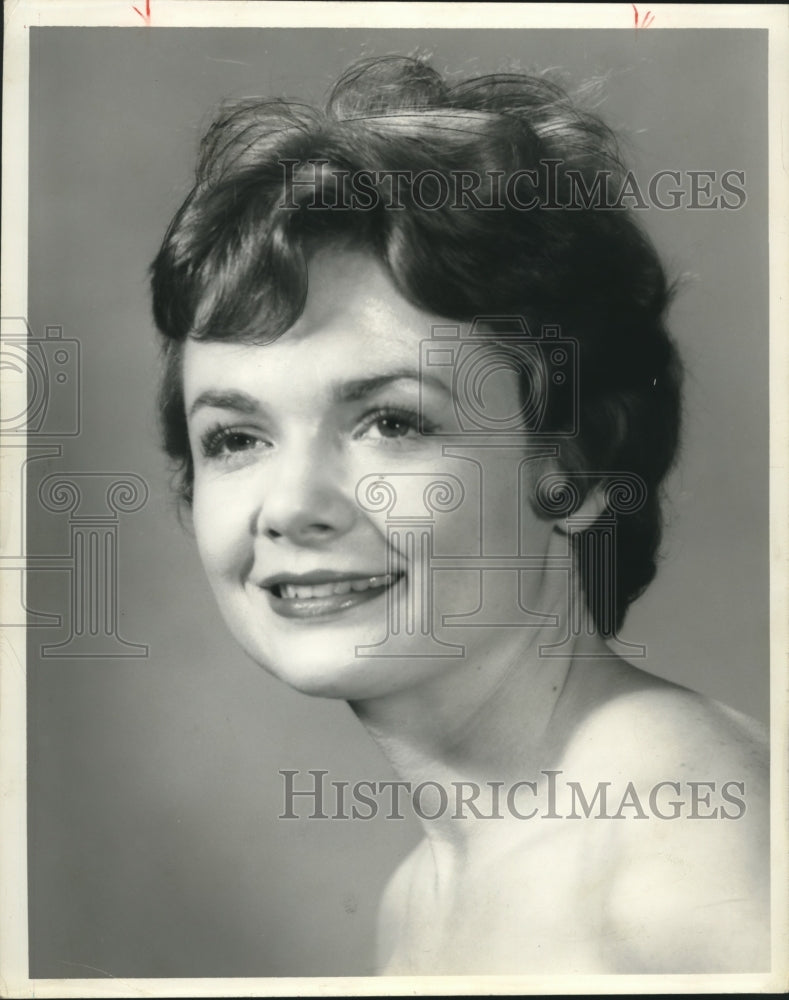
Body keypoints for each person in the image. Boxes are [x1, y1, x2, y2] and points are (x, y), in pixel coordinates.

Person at [149, 55, 768, 974]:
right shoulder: (418, 899)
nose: (291, 507)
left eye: (392, 422)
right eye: (236, 439)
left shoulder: (678, 840)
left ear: (568, 465)